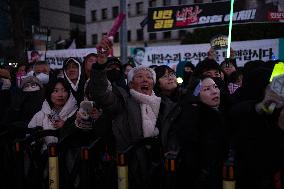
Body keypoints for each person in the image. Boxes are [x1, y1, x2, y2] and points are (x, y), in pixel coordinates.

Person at [89, 36, 163, 189]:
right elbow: (101, 93)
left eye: (149, 77)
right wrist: (100, 64)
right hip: (128, 169)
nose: (145, 80)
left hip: (159, 170)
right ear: (130, 83)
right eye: (139, 77)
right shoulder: (122, 102)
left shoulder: (165, 105)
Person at [177, 76, 229, 189]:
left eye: (215, 86)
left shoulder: (226, 112)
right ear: (196, 96)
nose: (214, 91)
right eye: (206, 89)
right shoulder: (194, 120)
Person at [28, 78, 78, 150]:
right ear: (49, 94)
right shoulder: (41, 115)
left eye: (64, 90)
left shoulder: (76, 113)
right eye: (56, 91)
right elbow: (30, 137)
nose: (60, 95)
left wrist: (66, 126)